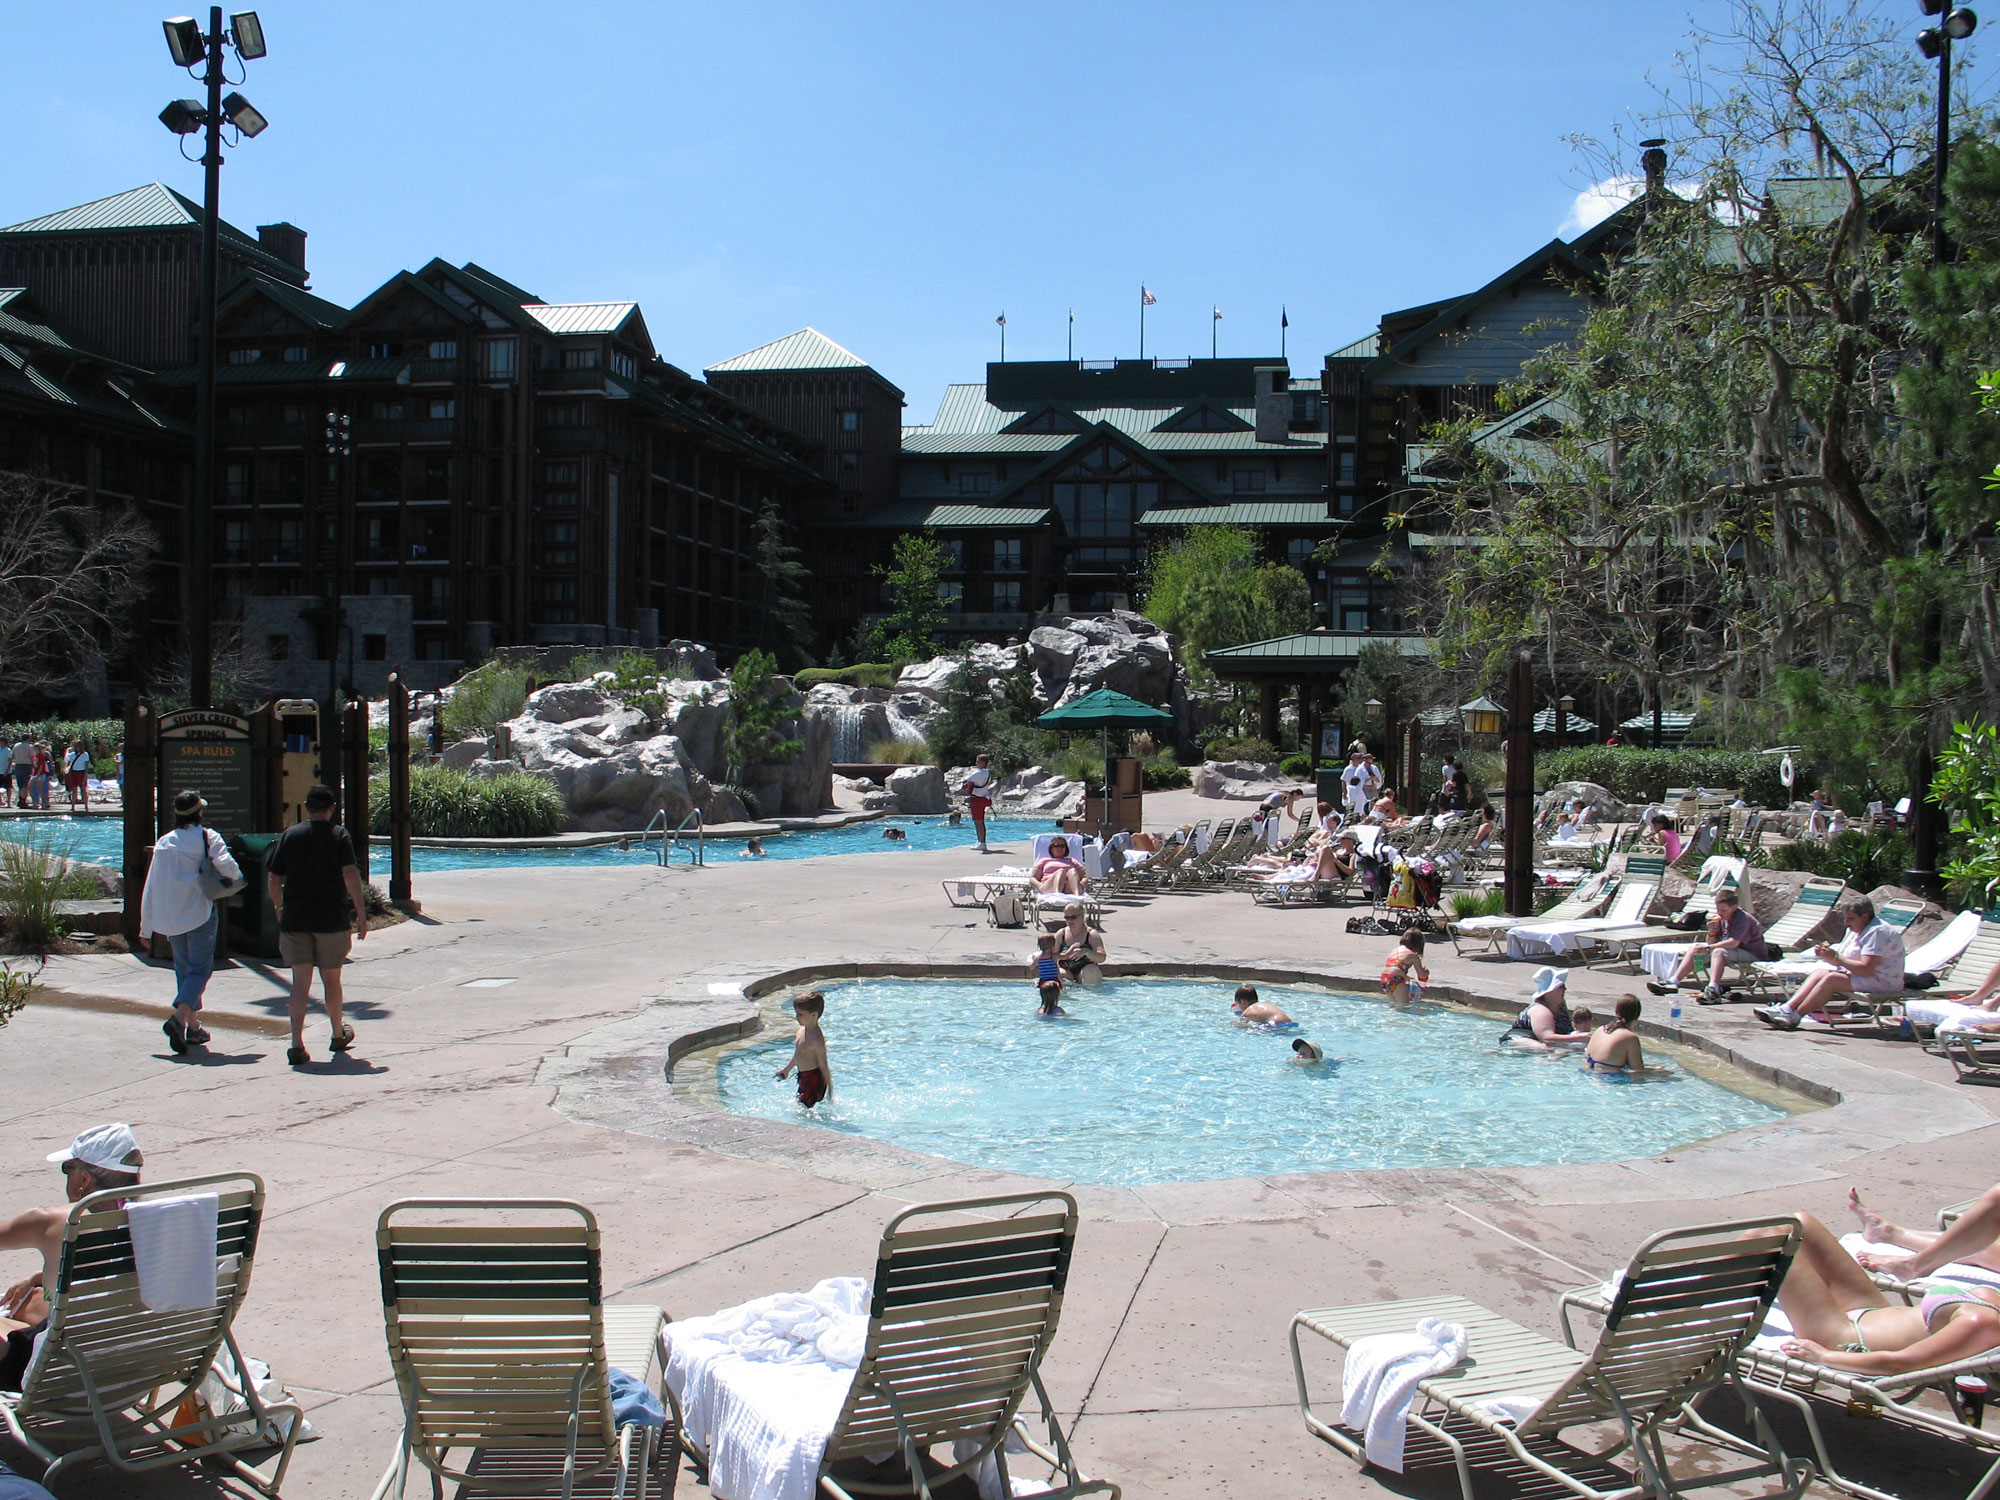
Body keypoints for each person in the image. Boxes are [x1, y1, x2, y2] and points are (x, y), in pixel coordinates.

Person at [1, 1124, 144, 1394]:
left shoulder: (53, 1221)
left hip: (55, 1376)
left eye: (67, 1168)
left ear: (84, 1179)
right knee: (31, 1296)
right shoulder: (160, 1222)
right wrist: (36, 1278)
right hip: (134, 1368)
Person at [1769, 1211, 2000, 1375]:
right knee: (1801, 1222)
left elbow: (1898, 1364)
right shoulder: (1992, 1301)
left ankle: (1731, 1298)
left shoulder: (1981, 1322)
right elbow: (1987, 1251)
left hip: (1846, 1337)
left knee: (1775, 1239)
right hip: (1873, 1310)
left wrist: (1822, 1357)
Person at [266, 784, 370, 1067]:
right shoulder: (339, 836)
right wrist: (360, 913)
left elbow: (274, 878)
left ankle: (297, 1044)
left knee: (300, 983)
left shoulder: (290, 835)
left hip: (296, 919)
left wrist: (279, 906)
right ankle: (337, 1033)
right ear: (333, 808)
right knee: (331, 980)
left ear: (307, 807)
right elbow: (349, 874)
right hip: (331, 920)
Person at [138, 790, 241, 1055]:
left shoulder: (165, 842)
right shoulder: (208, 837)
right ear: (199, 812)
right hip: (199, 912)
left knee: (184, 971)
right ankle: (179, 1018)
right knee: (200, 970)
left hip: (171, 915)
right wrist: (236, 878)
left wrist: (146, 925)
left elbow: (151, 885)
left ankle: (193, 1029)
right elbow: (228, 867)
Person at [1756, 897, 1905, 1030]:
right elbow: (1847, 959)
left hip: (1884, 981)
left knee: (1831, 980)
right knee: (1819, 972)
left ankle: (1796, 1016)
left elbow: (1866, 969)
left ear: (1865, 917)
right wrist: (1827, 956)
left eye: (1851, 919)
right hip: (1866, 976)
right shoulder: (1857, 930)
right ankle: (1787, 1009)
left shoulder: (1877, 932)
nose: (1847, 923)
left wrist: (1836, 959)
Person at [1649, 889, 1771, 1003]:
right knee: (1696, 948)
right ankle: (1673, 982)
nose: (1719, 913)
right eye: (1718, 909)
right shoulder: (1721, 918)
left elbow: (1734, 943)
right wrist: (1711, 932)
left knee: (1718, 952)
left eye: (1723, 910)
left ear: (1734, 908)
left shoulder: (1743, 919)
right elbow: (1712, 942)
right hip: (1732, 951)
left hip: (1752, 953)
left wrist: (1708, 948)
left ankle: (1713, 990)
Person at [1506, 967, 1591, 1049]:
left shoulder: (1560, 1004)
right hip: (1519, 1039)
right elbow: (1547, 1038)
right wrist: (1580, 1037)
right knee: (1545, 1048)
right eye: (1560, 986)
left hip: (1539, 1040)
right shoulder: (1540, 1011)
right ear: (1549, 992)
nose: (1565, 989)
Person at [774, 989, 831, 1107]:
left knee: (803, 1110)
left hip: (814, 1081)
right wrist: (787, 1070)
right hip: (803, 1077)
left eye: (800, 1014)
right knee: (800, 1106)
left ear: (813, 1015)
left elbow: (824, 1065)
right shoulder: (801, 1030)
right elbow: (798, 1054)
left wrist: (831, 1090)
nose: (796, 1017)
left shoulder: (816, 1040)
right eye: (796, 1013)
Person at [1583, 995, 1654, 1074]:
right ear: (1637, 1016)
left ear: (1616, 1011)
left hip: (1586, 1074)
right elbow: (1638, 1072)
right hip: (1608, 1081)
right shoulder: (1630, 1038)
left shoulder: (1599, 1030)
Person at [1055, 903, 1105, 986]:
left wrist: (1086, 952)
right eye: (1067, 917)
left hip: (1086, 970)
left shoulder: (1091, 934)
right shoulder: (1061, 934)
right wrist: (1065, 955)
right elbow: (1052, 955)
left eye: (1073, 917)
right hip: (1066, 971)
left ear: (1082, 916)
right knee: (1057, 976)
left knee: (1091, 973)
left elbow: (1102, 958)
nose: (1070, 921)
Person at [1380, 931, 1428, 1005]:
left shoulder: (1395, 950)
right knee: (1403, 1006)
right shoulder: (1413, 956)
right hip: (1396, 979)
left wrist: (1405, 976)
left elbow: (1393, 966)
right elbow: (1421, 975)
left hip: (1384, 977)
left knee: (1393, 1004)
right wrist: (1426, 972)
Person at [962, 753, 995, 854]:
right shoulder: (988, 773)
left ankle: (982, 842)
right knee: (980, 821)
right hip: (983, 798)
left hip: (976, 799)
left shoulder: (977, 773)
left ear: (983, 763)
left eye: (978, 761)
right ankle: (980, 841)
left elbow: (965, 781)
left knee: (978, 821)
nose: (976, 763)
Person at [1030, 934, 1066, 1016]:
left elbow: (1031, 967)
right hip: (1054, 979)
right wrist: (1072, 948)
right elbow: (1065, 956)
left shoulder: (1038, 958)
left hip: (1043, 981)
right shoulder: (1053, 956)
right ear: (1053, 946)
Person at [61, 740, 91, 812]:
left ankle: (86, 807)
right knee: (74, 790)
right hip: (74, 773)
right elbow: (67, 763)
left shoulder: (85, 754)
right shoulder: (72, 754)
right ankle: (73, 807)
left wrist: (85, 776)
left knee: (83, 790)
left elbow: (86, 766)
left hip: (81, 772)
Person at [1340, 750, 1371, 819]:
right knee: (1350, 807)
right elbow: (1344, 781)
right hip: (1351, 791)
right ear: (1354, 759)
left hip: (1360, 790)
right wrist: (1344, 793)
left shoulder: (1361, 768)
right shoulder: (1348, 769)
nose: (1361, 760)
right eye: (1358, 758)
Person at [9, 736, 30, 810]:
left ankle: (21, 799)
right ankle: (23, 800)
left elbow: (13, 756)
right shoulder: (29, 746)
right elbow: (32, 756)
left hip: (18, 765)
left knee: (20, 784)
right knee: (25, 784)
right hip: (27, 765)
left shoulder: (16, 745)